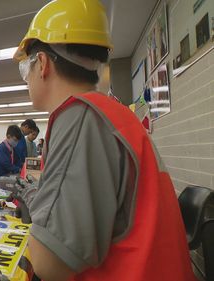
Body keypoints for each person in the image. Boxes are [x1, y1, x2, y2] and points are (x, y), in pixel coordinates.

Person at [12, 1, 195, 280]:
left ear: (43, 64)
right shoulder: (111, 113)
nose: (27, 80)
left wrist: (35, 200)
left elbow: (50, 264)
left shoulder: (80, 117)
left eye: (25, 70)